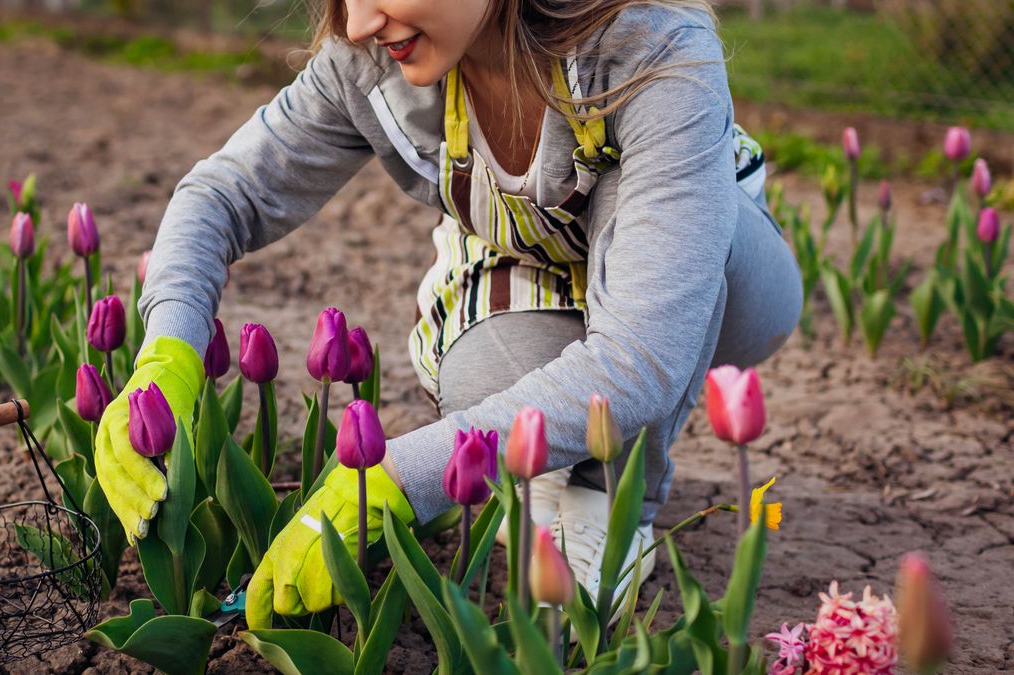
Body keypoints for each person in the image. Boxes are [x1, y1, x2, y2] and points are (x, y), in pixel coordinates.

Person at [92, 0, 802, 629]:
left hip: (713, 276)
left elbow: (645, 353)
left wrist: (401, 475)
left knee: (644, 329)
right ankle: (551, 466)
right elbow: (220, 196)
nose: (358, 20)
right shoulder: (367, 60)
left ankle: (611, 499)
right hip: (529, 265)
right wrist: (168, 351)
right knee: (477, 394)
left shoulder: (652, 45)